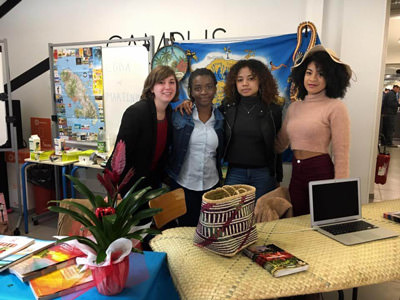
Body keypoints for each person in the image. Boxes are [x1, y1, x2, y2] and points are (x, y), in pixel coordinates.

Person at [275, 45, 352, 216]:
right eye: (309, 72)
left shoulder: (336, 107)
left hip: (320, 170)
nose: (313, 78)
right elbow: (280, 144)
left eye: (321, 73)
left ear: (331, 78)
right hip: (297, 172)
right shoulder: (294, 107)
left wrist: (340, 188)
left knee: (322, 220)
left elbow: (341, 153)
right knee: (297, 220)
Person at [106, 65, 179, 196]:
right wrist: (112, 188)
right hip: (129, 186)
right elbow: (119, 153)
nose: (167, 87)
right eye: (161, 82)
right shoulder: (136, 112)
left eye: (171, 82)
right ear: (151, 88)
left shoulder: (169, 113)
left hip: (151, 183)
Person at [167, 68, 224, 226]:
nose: (204, 92)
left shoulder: (221, 119)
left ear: (215, 89)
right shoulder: (179, 115)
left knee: (210, 231)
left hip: (212, 187)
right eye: (198, 88)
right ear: (191, 91)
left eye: (209, 87)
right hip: (183, 185)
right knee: (185, 232)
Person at [221, 59, 282, 200]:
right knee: (233, 217)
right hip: (235, 173)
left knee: (261, 219)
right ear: (234, 83)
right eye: (239, 80)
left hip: (264, 174)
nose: (245, 84)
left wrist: (278, 176)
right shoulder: (227, 108)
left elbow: (277, 148)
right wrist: (189, 103)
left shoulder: (273, 110)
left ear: (261, 80)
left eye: (251, 79)